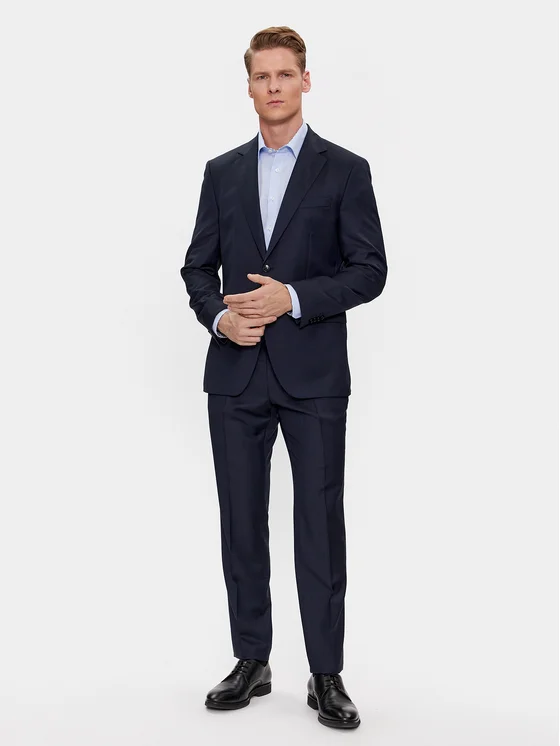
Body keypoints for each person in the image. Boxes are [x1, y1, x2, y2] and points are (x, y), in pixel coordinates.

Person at [179, 25, 387, 730]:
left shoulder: (345, 170)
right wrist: (220, 319)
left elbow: (369, 271)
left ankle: (325, 674)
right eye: (262, 76)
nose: (274, 86)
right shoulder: (222, 172)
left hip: (315, 377)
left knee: (319, 525)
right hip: (235, 376)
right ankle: (252, 660)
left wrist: (291, 298)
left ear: (305, 81)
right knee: (241, 521)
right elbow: (196, 266)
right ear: (248, 86)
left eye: (285, 74)